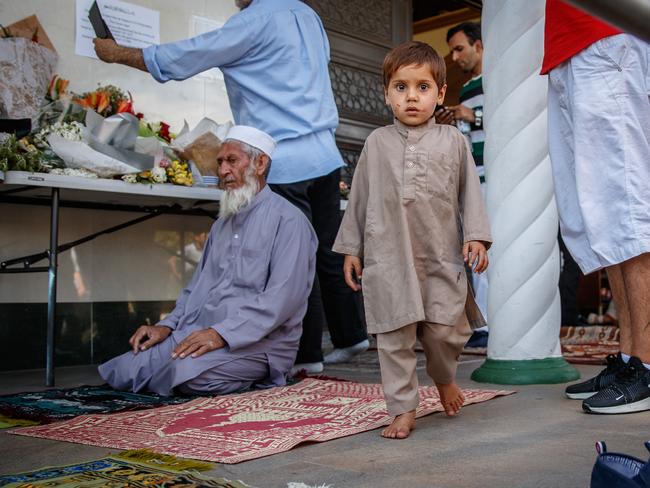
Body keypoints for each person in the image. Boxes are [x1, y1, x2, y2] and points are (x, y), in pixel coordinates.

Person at [92, 0, 368, 376]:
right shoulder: (306, 14)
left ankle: (306, 359)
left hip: (281, 159)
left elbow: (187, 55)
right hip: (324, 153)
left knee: (291, 263)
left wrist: (118, 54)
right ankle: (352, 337)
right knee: (328, 254)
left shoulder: (253, 20)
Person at [333, 42, 492, 439]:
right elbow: (360, 197)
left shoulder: (454, 141)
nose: (411, 97)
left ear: (440, 94)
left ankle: (443, 378)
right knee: (393, 336)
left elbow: (470, 192)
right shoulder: (376, 143)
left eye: (422, 87)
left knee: (444, 333)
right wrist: (352, 248)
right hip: (388, 257)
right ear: (387, 94)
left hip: (439, 255)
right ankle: (403, 408)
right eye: (401, 88)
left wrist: (476, 236)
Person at [99, 125, 318, 396]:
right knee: (125, 369)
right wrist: (166, 326)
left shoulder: (290, 222)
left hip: (259, 344)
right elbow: (197, 288)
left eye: (232, 161)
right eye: (220, 162)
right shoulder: (222, 224)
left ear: (260, 163)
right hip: (198, 333)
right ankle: (174, 368)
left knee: (185, 375)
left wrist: (221, 334)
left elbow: (282, 299)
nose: (223, 171)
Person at [542, 0, 650, 414]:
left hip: (605, 34)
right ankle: (628, 358)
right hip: (568, 44)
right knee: (600, 216)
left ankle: (646, 362)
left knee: (626, 206)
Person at [437, 22, 488, 348]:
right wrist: (453, 124)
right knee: (477, 251)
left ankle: (490, 323)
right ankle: (481, 324)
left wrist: (475, 116)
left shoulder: (504, 78)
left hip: (503, 178)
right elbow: (469, 139)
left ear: (479, 46)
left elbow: (516, 122)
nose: (455, 57)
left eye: (460, 48)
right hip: (477, 180)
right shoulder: (468, 87)